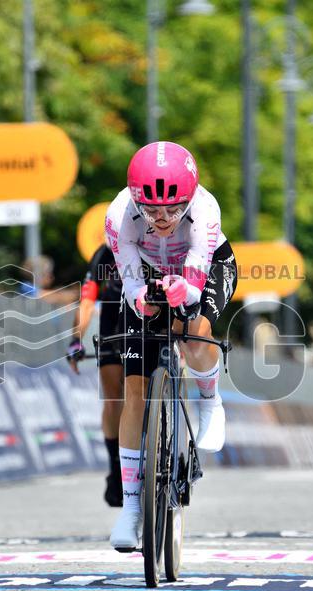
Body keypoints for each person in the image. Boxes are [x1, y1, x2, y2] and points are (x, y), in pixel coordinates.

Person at [105, 141, 237, 550]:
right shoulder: (119, 215)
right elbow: (128, 279)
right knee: (135, 390)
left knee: (195, 333)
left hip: (206, 268)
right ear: (136, 200)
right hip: (147, 271)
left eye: (172, 210)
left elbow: (196, 279)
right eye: (152, 211)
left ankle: (210, 400)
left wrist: (186, 291)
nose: (162, 219)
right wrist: (139, 298)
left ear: (189, 199)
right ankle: (130, 508)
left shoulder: (206, 210)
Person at [67, 242, 125, 507]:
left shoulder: (165, 240)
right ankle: (116, 468)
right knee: (113, 397)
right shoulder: (105, 253)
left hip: (157, 316)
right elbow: (88, 300)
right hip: (115, 321)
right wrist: (76, 338)